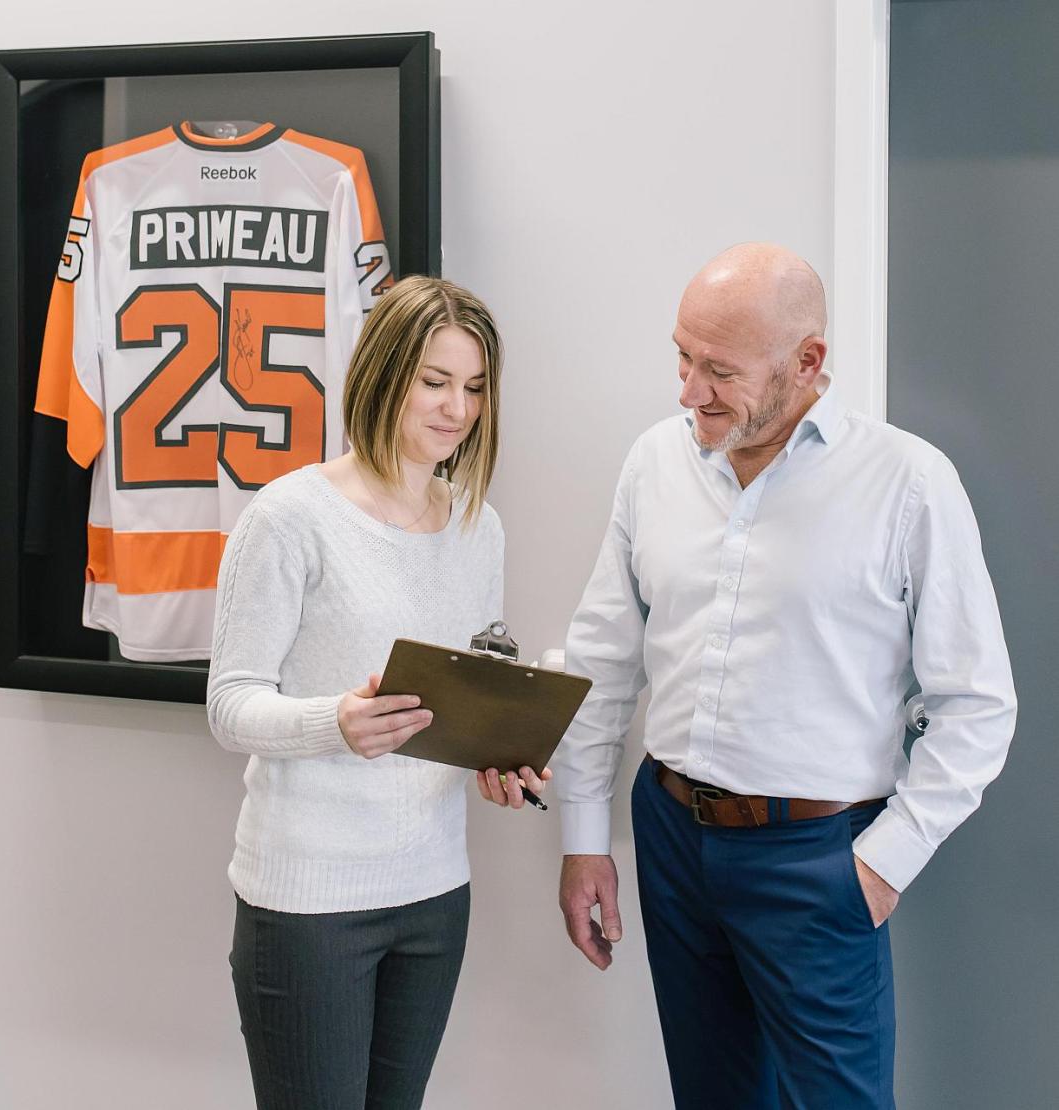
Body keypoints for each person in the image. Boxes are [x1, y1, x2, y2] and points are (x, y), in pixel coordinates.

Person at [554, 243, 1016, 1109]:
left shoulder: (908, 484)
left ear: (808, 363)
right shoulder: (654, 463)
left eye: (719, 371)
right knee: (712, 1096)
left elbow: (977, 703)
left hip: (820, 857)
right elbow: (603, 659)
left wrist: (881, 865)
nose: (689, 390)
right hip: (672, 836)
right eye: (682, 358)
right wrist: (584, 835)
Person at [207, 275, 548, 1110]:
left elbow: (461, 692)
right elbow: (230, 704)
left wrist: (496, 755)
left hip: (433, 893)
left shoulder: (478, 524)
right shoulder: (290, 517)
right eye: (434, 382)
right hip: (310, 902)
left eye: (473, 388)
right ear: (383, 375)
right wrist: (338, 722)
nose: (456, 409)